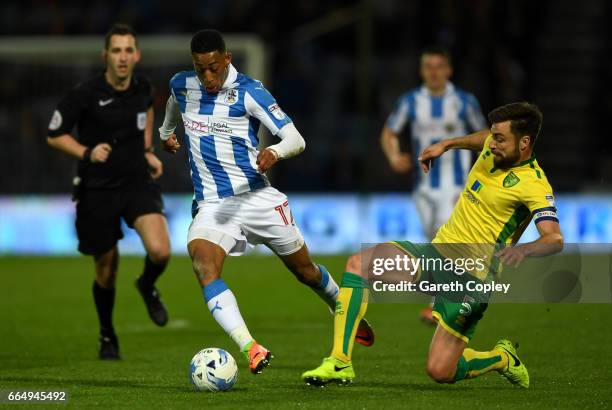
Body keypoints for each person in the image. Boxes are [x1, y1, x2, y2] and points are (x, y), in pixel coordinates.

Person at [158, 29, 374, 374]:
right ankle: (251, 347)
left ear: (227, 59)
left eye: (214, 67)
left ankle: (338, 304)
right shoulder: (182, 85)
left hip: (257, 198)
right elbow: (172, 104)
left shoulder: (250, 91)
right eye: (201, 69)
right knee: (203, 265)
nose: (208, 77)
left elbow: (296, 138)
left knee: (304, 271)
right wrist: (165, 133)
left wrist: (274, 150)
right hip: (213, 205)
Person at [302, 102, 563, 388]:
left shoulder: (535, 185)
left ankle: (501, 358)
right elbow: (481, 139)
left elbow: (554, 238)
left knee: (441, 371)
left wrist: (523, 249)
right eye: (493, 135)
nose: (492, 143)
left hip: (472, 278)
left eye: (500, 139)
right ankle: (340, 361)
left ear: (524, 143)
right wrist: (447, 144)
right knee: (359, 264)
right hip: (437, 254)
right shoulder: (494, 146)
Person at [46, 23, 171, 360]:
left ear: (137, 55)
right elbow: (54, 133)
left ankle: (146, 284)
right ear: (106, 55)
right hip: (97, 189)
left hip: (135, 183)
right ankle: (107, 334)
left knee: (160, 252)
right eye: (116, 50)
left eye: (128, 50)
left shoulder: (143, 88)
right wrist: (86, 153)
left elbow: (147, 113)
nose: (122, 57)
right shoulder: (85, 94)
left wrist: (147, 152)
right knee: (106, 268)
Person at [380, 47, 486, 324]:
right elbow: (390, 131)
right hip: (423, 187)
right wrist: (393, 156)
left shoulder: (464, 101)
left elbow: (486, 136)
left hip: (457, 185)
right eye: (429, 66)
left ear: (449, 70)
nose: (434, 71)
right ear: (422, 70)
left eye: (439, 66)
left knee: (444, 237)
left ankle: (440, 304)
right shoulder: (411, 101)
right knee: (434, 238)